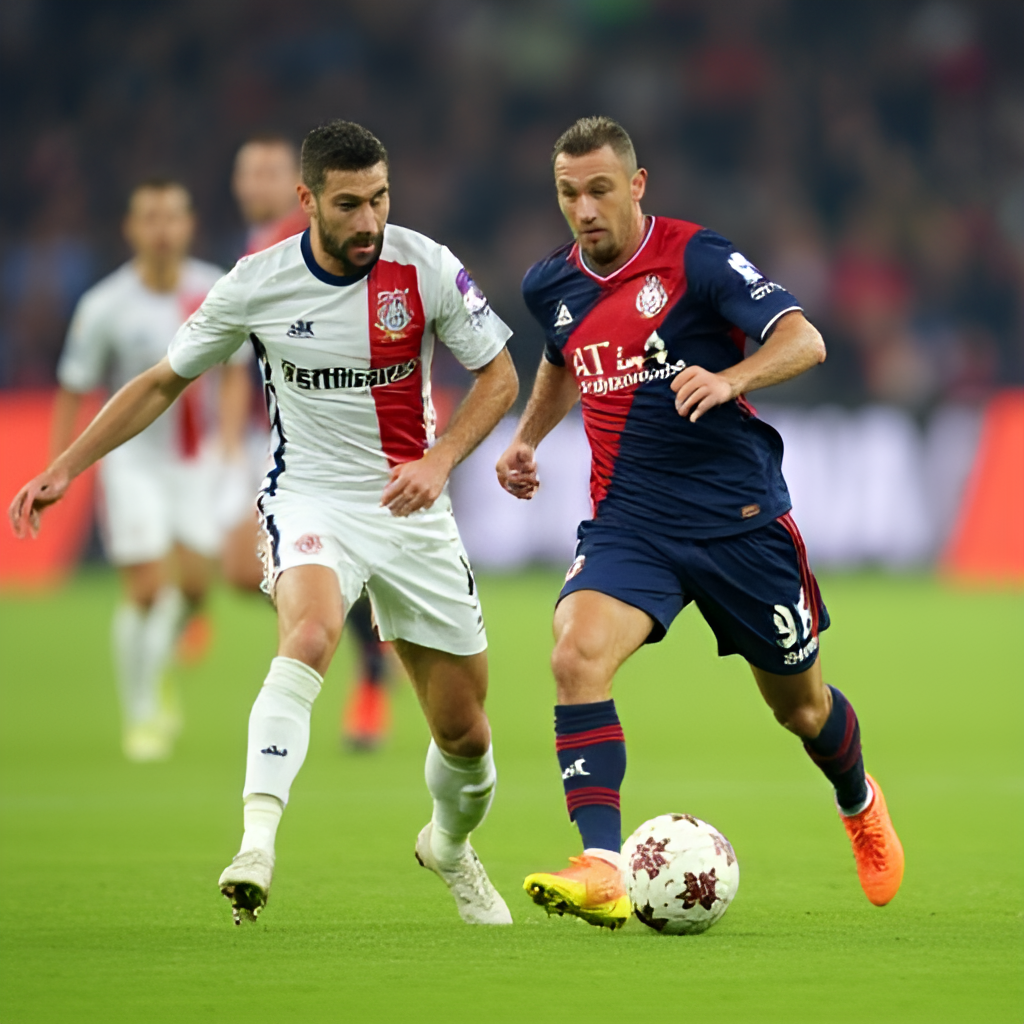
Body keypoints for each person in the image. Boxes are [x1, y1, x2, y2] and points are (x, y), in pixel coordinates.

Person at [11, 120, 518, 928]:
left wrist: (441, 458)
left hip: (414, 505)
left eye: (379, 199)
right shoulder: (257, 282)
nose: (368, 221)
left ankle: (451, 848)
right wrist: (67, 465)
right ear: (306, 199)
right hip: (309, 497)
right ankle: (256, 843)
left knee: (466, 734)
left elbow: (498, 373)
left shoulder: (425, 266)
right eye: (348, 204)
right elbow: (159, 382)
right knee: (310, 636)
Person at [496, 116, 904, 929]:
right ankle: (603, 865)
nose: (585, 208)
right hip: (631, 523)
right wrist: (526, 437)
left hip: (740, 525)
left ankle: (859, 802)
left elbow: (805, 338)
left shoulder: (697, 258)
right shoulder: (550, 283)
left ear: (637, 186)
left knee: (801, 709)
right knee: (575, 654)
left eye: (601, 190)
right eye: (569, 193)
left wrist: (731, 377)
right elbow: (559, 356)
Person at [225, 133, 395, 750]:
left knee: (273, 570)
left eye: (270, 171)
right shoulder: (253, 252)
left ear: (300, 188)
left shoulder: (312, 247)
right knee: (242, 572)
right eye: (249, 172)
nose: (258, 184)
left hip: (309, 443)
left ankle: (369, 677)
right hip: (263, 429)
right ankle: (367, 632)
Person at [51, 179, 225, 762]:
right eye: (149, 217)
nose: (161, 229)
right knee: (148, 590)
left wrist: (228, 443)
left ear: (188, 225)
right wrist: (62, 468)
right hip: (131, 462)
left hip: (196, 460)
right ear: (131, 228)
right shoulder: (105, 305)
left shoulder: (213, 289)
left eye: (171, 217)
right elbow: (74, 388)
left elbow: (235, 371)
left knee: (197, 587)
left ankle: (160, 664)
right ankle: (143, 711)